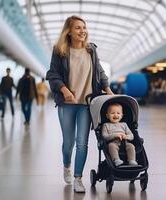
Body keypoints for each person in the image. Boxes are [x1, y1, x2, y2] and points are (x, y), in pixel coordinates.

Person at [46, 15, 113, 193]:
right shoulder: (60, 51)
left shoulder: (91, 50)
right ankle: (67, 165)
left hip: (87, 104)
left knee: (82, 143)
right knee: (68, 143)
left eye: (84, 27)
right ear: (69, 31)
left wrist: (110, 93)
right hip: (67, 104)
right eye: (78, 27)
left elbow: (100, 72)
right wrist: (65, 91)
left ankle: (78, 178)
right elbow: (53, 74)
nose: (83, 30)